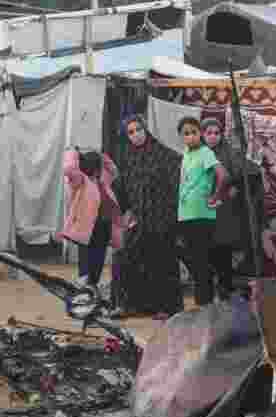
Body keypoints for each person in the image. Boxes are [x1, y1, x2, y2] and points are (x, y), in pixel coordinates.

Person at [111, 115, 184, 320]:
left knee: (162, 261)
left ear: (146, 129)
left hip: (161, 218)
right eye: (131, 132)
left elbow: (176, 184)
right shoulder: (128, 158)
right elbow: (123, 187)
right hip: (138, 218)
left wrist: (171, 215)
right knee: (126, 258)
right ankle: (128, 305)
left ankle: (166, 307)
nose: (136, 134)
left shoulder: (164, 155)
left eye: (138, 129)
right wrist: (126, 212)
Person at [202, 117, 264, 298]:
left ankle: (226, 290)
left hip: (225, 212)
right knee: (207, 252)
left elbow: (250, 173)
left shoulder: (230, 153)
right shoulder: (195, 153)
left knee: (223, 251)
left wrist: (235, 188)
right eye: (208, 133)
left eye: (216, 133)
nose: (213, 137)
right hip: (203, 209)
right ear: (203, 134)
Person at [176, 116, 227, 308]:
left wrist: (216, 196)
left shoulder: (205, 152)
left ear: (200, 133)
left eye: (193, 132)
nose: (190, 136)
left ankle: (204, 303)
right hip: (185, 214)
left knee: (200, 261)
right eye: (185, 134)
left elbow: (223, 176)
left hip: (201, 214)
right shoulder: (186, 154)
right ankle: (204, 301)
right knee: (195, 261)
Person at [59, 148, 123, 299]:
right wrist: (72, 153)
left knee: (98, 262)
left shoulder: (104, 181)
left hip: (104, 226)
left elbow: (115, 170)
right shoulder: (80, 181)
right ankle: (84, 295)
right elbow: (68, 168)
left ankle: (92, 292)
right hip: (87, 229)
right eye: (98, 165)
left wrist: (103, 156)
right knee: (86, 265)